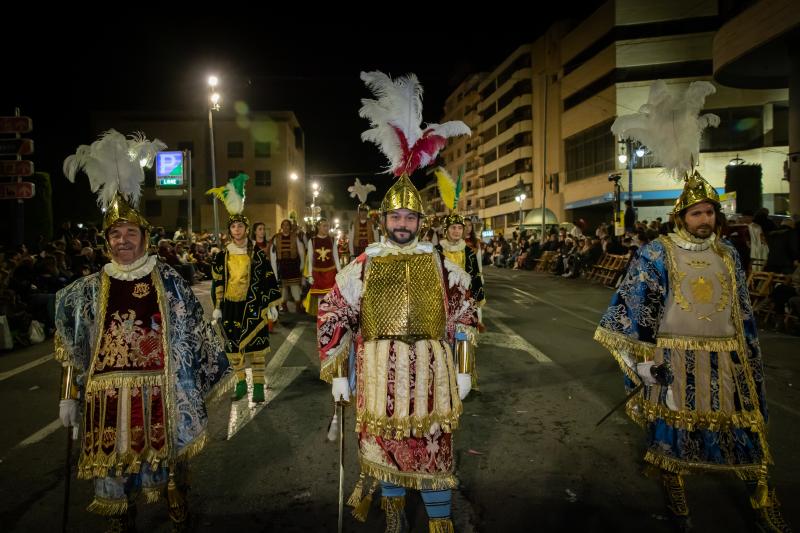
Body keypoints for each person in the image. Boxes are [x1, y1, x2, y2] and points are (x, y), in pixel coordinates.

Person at [598, 81, 790, 532]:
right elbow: (632, 307)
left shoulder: (728, 255)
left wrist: (750, 359)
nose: (705, 219)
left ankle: (763, 494)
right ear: (681, 217)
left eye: (710, 212)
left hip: (727, 360)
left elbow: (742, 314)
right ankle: (675, 485)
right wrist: (640, 362)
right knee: (674, 432)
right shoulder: (656, 252)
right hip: (674, 358)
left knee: (745, 431)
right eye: (696, 213)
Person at [318, 71, 476, 533]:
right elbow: (333, 312)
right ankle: (392, 517)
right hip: (376, 371)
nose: (403, 223)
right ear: (384, 219)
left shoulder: (442, 264)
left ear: (419, 220)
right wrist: (335, 370)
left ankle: (439, 520)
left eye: (410, 216)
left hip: (432, 374)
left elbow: (465, 315)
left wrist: (464, 365)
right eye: (396, 216)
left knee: (434, 448)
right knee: (384, 447)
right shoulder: (363, 264)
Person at [56, 130, 231, 531]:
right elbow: (75, 346)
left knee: (168, 467)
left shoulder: (167, 280)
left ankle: (176, 503)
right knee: (114, 470)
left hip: (160, 392)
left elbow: (193, 335)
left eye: (130, 234)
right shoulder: (85, 292)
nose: (123, 241)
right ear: (107, 242)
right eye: (115, 235)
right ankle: (120, 516)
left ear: (144, 238)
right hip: (107, 399)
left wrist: (187, 381)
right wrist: (68, 396)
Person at [207, 174, 281, 402]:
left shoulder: (256, 253)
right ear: (230, 231)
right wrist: (218, 306)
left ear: (246, 229)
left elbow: (268, 277)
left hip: (253, 305)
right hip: (230, 306)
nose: (237, 229)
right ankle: (241, 382)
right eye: (233, 226)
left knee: (256, 348)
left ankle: (258, 386)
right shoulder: (223, 255)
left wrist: (270, 305)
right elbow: (219, 282)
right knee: (233, 348)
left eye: (240, 226)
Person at [303, 217, 340, 315]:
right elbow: (310, 260)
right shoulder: (312, 241)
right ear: (318, 227)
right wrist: (310, 275)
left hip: (330, 273)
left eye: (327, 226)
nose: (326, 228)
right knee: (320, 298)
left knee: (330, 297)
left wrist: (340, 273)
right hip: (317, 273)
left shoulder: (332, 240)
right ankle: (321, 320)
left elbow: (336, 258)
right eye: (324, 226)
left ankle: (329, 319)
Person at [270, 219, 306, 313]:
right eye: (284, 225)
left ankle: (298, 304)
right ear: (281, 227)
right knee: (284, 287)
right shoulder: (276, 238)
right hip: (282, 266)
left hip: (293, 265)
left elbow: (301, 252)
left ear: (290, 227)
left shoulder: (295, 237)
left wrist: (302, 264)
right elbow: (273, 253)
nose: (286, 227)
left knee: (294, 285)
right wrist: (273, 267)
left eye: (287, 225)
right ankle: (284, 304)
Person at [348, 178, 379, 258]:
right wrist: (352, 253)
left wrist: (377, 251)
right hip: (357, 250)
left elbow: (376, 237)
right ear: (359, 212)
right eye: (361, 211)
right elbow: (351, 238)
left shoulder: (372, 222)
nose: (363, 213)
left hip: (370, 250)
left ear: (367, 212)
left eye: (365, 211)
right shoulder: (353, 223)